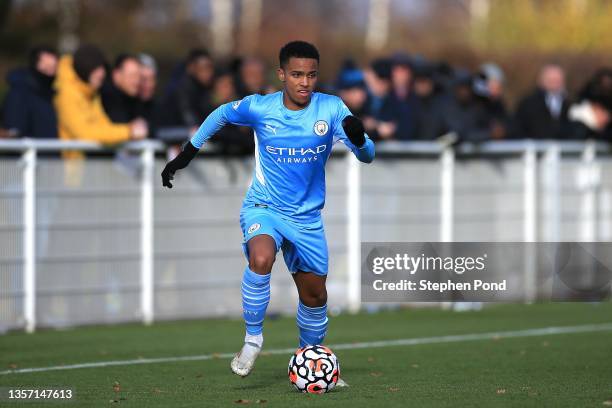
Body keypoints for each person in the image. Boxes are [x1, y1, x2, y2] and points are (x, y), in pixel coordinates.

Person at [160, 41, 375, 382]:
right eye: (296, 74)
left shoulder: (332, 109)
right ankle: (252, 339)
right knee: (261, 258)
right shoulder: (261, 107)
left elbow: (367, 155)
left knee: (315, 296)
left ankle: (312, 361)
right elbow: (220, 114)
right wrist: (187, 154)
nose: (304, 82)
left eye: (311, 75)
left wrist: (360, 139)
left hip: (306, 219)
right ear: (282, 75)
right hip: (265, 206)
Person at [54, 44, 147, 150]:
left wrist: (130, 130)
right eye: (97, 69)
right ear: (86, 69)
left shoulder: (91, 93)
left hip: (88, 164)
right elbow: (84, 133)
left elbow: (103, 126)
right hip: (68, 164)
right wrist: (129, 131)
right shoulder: (66, 94)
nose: (102, 74)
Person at [2, 45, 58, 138]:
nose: (50, 71)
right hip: (29, 150)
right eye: (46, 65)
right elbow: (13, 130)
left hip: (50, 150)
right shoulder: (19, 92)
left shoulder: (53, 93)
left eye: (53, 67)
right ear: (35, 64)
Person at [514, 64, 570, 139]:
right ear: (541, 81)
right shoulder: (528, 103)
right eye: (551, 80)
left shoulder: (569, 104)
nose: (555, 84)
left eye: (557, 80)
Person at [101, 54, 144, 124]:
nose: (137, 81)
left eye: (139, 77)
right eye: (132, 76)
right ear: (116, 75)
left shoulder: (134, 99)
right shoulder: (105, 98)